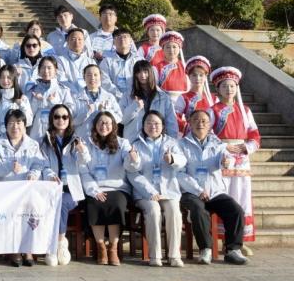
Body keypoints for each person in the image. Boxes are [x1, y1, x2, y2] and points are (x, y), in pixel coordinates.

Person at [178, 110, 249, 265]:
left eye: (204, 121)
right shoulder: (181, 145)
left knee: (236, 210)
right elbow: (179, 174)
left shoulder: (217, 144)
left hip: (215, 191)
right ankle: (205, 249)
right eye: (196, 120)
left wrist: (226, 163)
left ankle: (232, 250)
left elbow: (227, 159)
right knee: (198, 209)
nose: (200, 123)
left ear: (209, 124)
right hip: (192, 192)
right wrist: (198, 190)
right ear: (190, 123)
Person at [209, 66, 260, 255]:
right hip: (223, 157)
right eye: (224, 86)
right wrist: (224, 147)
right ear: (218, 89)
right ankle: (224, 239)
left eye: (232, 86)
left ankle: (238, 240)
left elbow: (254, 134)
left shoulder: (245, 110)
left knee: (242, 198)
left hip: (242, 158)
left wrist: (247, 147)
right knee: (226, 198)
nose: (229, 89)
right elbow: (207, 134)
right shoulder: (212, 110)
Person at [127, 111, 186, 267]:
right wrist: (150, 191)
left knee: (174, 211)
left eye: (156, 123)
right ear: (143, 125)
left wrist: (172, 159)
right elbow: (132, 173)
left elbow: (182, 161)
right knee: (153, 210)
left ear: (163, 126)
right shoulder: (136, 145)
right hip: (145, 193)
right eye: (149, 123)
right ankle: (155, 255)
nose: (153, 126)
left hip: (168, 190)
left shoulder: (172, 143)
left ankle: (174, 255)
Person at [35, 104, 91, 267]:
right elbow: (43, 164)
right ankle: (56, 244)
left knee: (61, 202)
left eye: (65, 117)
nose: (61, 120)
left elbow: (85, 162)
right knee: (54, 202)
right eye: (57, 117)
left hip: (71, 189)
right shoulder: (44, 141)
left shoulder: (76, 139)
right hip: (51, 187)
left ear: (69, 120)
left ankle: (57, 243)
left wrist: (82, 151)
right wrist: (51, 176)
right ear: (51, 119)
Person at [80, 111, 137, 266]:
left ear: (113, 125)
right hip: (95, 187)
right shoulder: (86, 143)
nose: (104, 126)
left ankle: (113, 247)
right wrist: (94, 190)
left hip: (117, 187)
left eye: (107, 123)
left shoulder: (123, 143)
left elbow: (130, 165)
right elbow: (83, 170)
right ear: (95, 125)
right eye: (100, 122)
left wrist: (133, 159)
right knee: (94, 203)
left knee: (116, 203)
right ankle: (101, 247)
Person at [0, 109, 43, 266]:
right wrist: (9, 166)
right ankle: (14, 248)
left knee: (33, 208)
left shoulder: (32, 144)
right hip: (4, 188)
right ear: (5, 126)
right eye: (11, 123)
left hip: (26, 188)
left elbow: (38, 164)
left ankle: (27, 247)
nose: (15, 127)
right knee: (12, 211)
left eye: (19, 123)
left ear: (25, 125)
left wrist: (33, 174)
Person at [120, 60, 178, 142]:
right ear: (135, 75)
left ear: (150, 73)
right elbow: (122, 120)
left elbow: (171, 123)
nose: (142, 75)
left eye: (145, 72)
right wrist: (135, 106)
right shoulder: (127, 96)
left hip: (157, 143)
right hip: (134, 141)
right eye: (139, 72)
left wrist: (172, 142)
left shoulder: (163, 97)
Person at [25, 56, 74, 141]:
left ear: (56, 70)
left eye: (49, 68)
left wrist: (53, 103)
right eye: (43, 68)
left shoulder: (63, 90)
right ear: (39, 71)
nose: (46, 71)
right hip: (35, 135)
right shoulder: (31, 91)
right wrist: (36, 101)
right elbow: (27, 116)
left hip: (58, 134)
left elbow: (70, 112)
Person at [71, 64, 122, 134]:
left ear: (100, 77)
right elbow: (70, 121)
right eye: (89, 75)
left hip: (104, 137)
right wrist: (86, 113)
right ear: (84, 77)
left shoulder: (109, 97)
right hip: (83, 137)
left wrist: (106, 111)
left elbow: (119, 118)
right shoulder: (75, 98)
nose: (92, 78)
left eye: (95, 75)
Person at [99, 28, 143, 102]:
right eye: (118, 37)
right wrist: (120, 96)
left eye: (125, 36)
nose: (122, 39)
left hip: (137, 100)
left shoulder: (139, 60)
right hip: (114, 101)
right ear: (113, 42)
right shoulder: (106, 61)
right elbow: (105, 82)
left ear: (131, 40)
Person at [0, 65, 33, 140]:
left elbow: (28, 121)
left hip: (16, 141)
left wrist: (22, 105)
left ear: (14, 79)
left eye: (9, 78)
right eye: (2, 77)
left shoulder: (22, 98)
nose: (5, 80)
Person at [175, 56, 214, 134]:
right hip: (190, 135)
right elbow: (176, 117)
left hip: (209, 136)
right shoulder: (183, 97)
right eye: (194, 75)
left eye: (201, 75)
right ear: (189, 77)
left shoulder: (213, 99)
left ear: (205, 77)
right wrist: (188, 127)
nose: (198, 78)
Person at [56, 28, 97, 95]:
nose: (77, 42)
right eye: (73, 39)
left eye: (80, 39)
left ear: (84, 42)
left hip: (88, 96)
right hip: (68, 95)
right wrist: (76, 93)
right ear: (67, 41)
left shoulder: (91, 62)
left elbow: (95, 80)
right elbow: (61, 80)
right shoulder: (60, 60)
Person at [153, 31, 188, 101]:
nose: (171, 50)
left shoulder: (186, 67)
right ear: (163, 49)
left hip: (184, 102)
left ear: (179, 49)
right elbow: (154, 88)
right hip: (164, 101)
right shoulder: (156, 68)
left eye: (174, 47)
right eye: (168, 47)